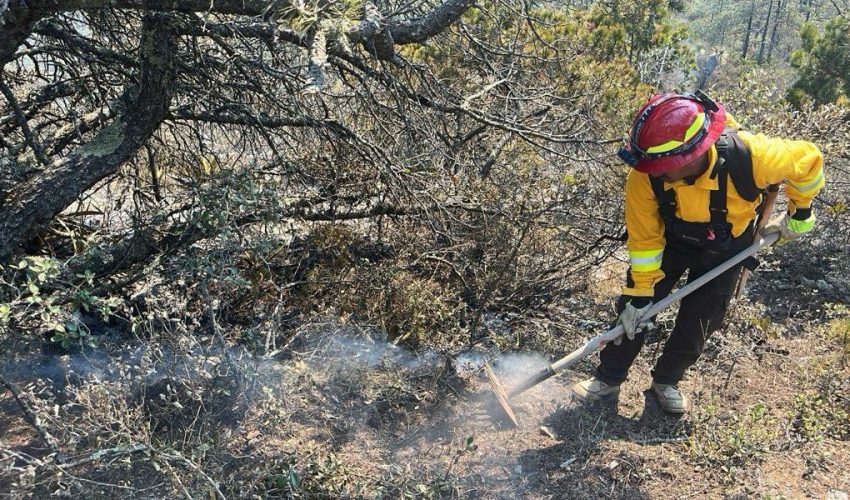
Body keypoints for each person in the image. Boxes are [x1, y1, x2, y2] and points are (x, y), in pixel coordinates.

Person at [571, 90, 825, 414]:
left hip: (727, 247)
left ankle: (666, 381)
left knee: (702, 318)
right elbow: (644, 239)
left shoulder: (753, 157)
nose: (654, 172)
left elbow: (809, 160)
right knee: (634, 310)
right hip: (671, 241)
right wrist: (641, 294)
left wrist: (800, 213)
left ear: (691, 155)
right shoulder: (644, 177)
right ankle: (608, 378)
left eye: (662, 167)